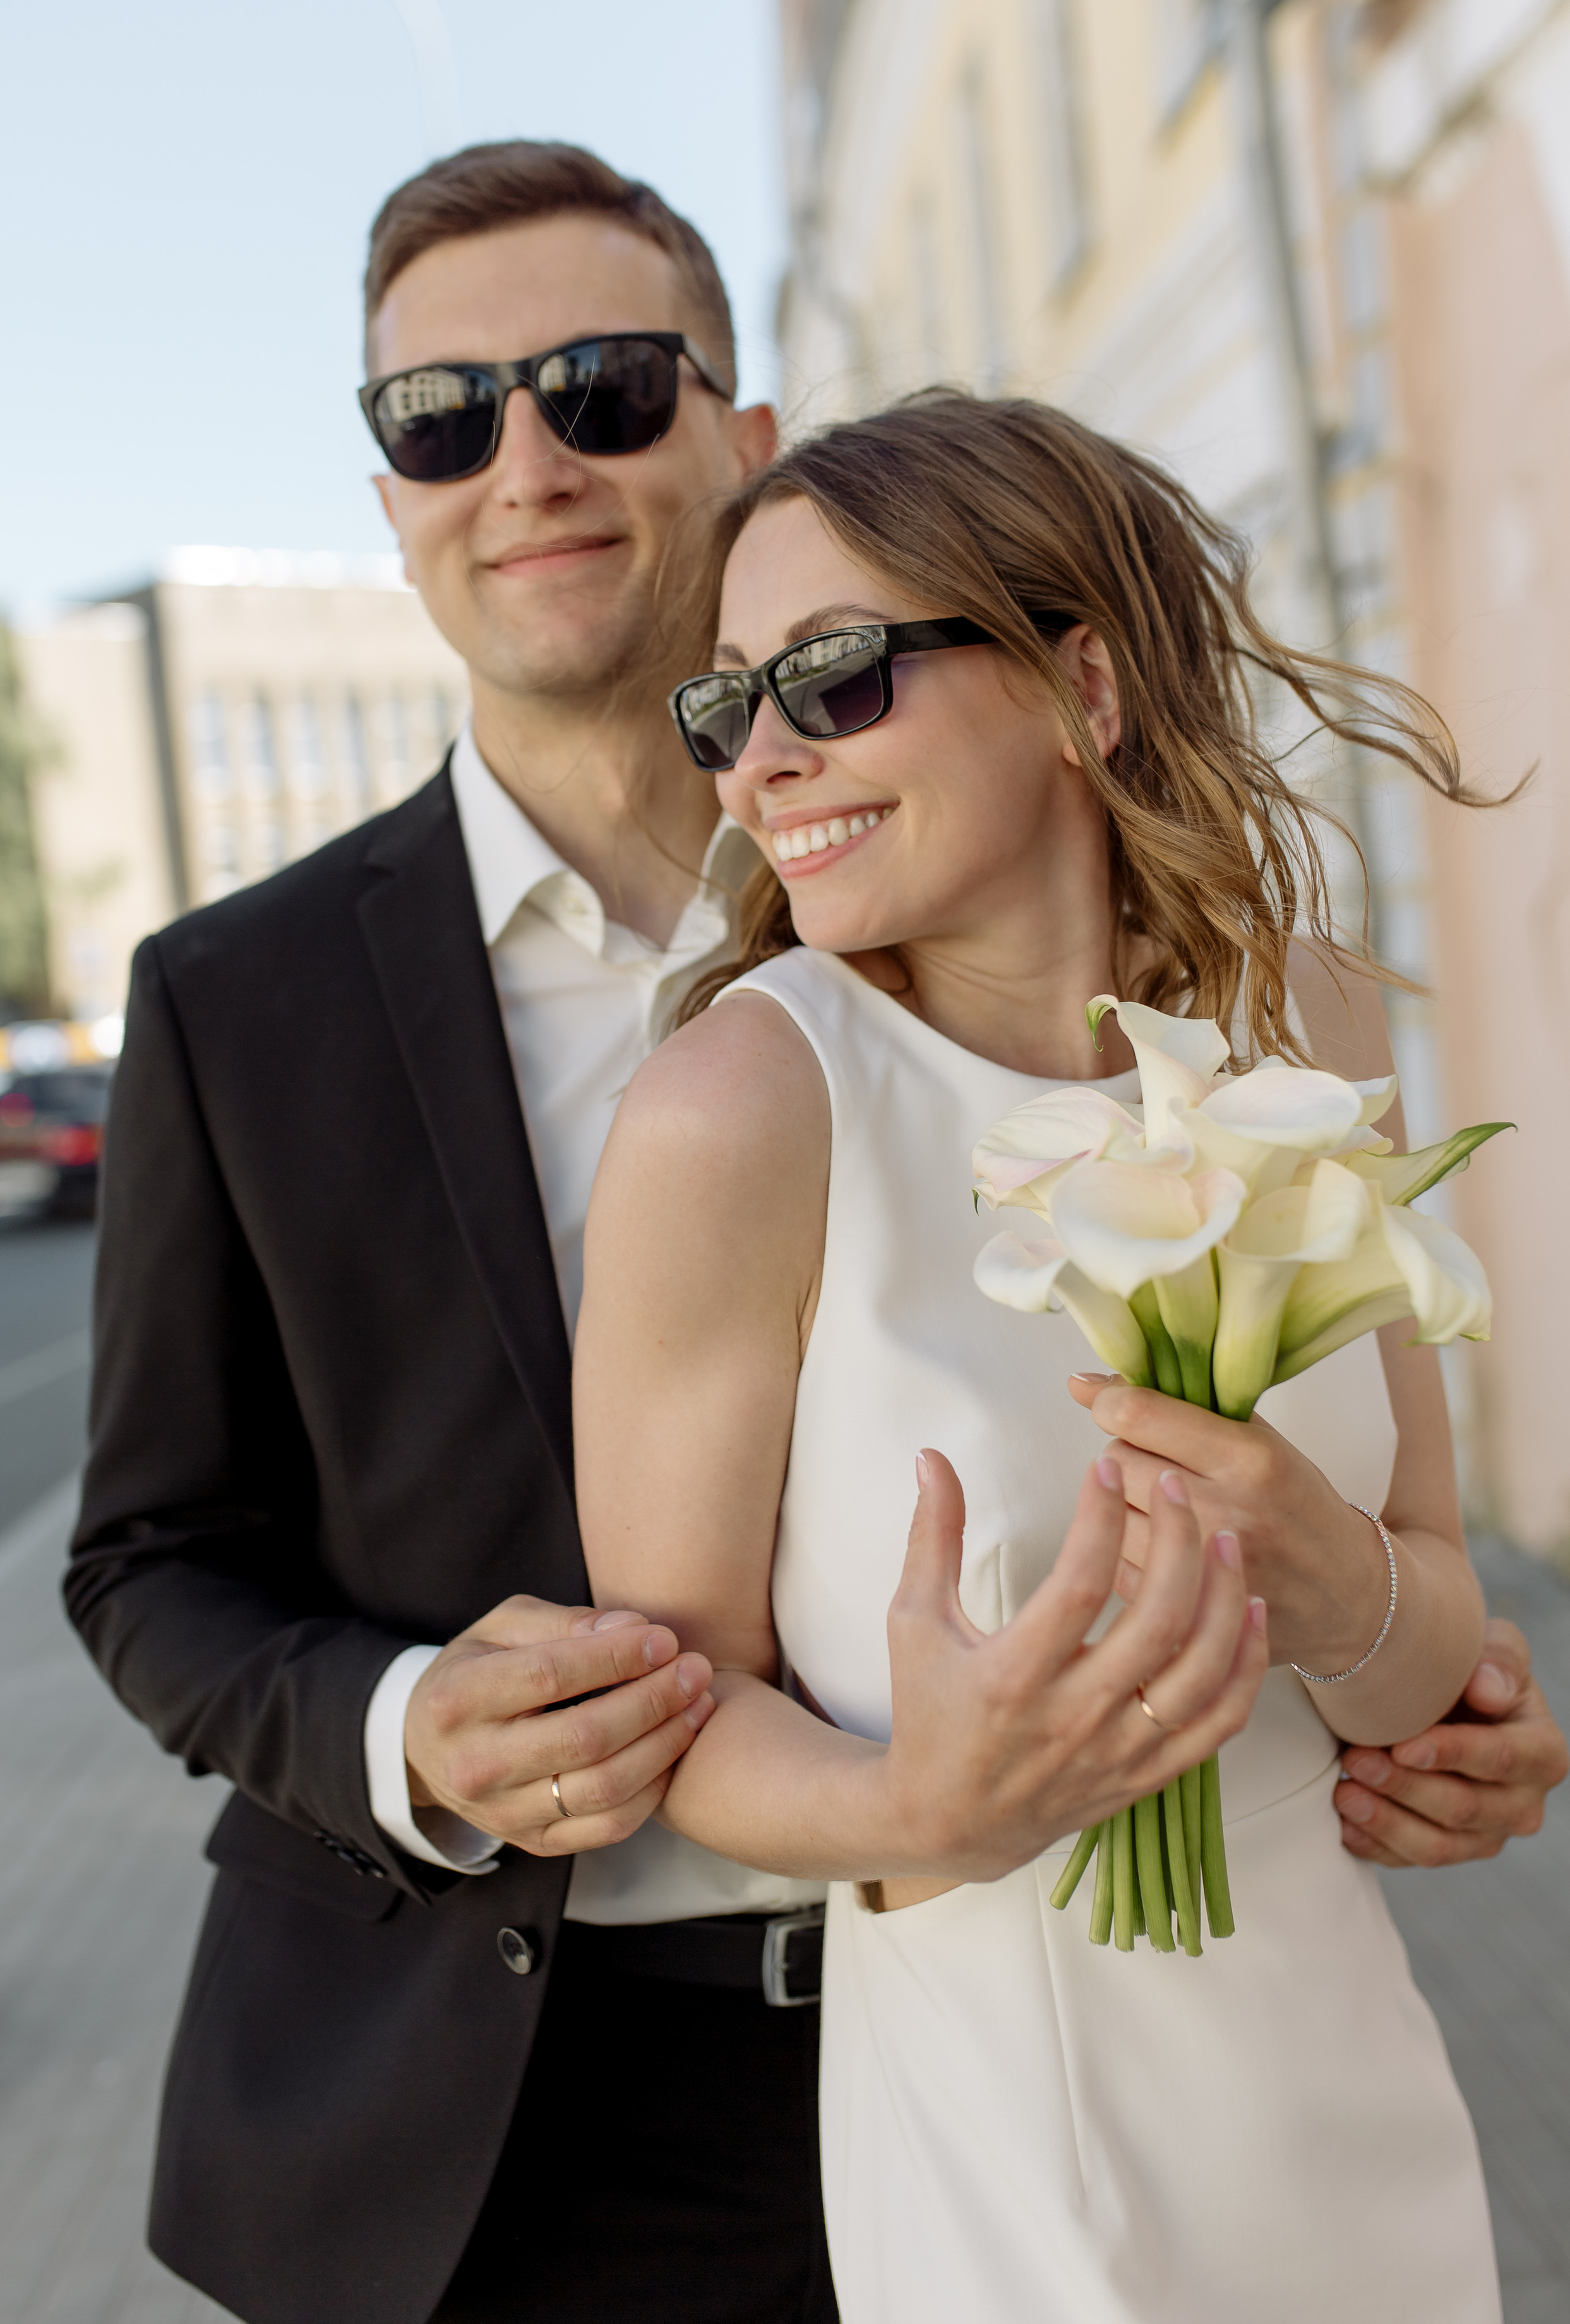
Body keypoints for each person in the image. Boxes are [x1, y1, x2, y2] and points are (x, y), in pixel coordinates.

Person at [62, 138, 1562, 2324]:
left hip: (1196, 2050)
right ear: (387, 492)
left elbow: (1389, 1598)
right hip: (535, 2105)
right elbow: (148, 1559)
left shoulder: (1203, 1001)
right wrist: (404, 1729)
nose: (526, 461)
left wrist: (1426, 1684)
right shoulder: (259, 1004)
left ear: (738, 432)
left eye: (600, 384)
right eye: (440, 416)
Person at [575, 392, 1562, 2321]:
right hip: (1017, 2131)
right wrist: (914, 1809)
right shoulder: (740, 1112)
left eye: (835, 675)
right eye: (729, 706)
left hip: (1341, 2085)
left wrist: (1334, 1571)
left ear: (1079, 680)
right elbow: (674, 1698)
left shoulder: (1309, 1028)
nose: (763, 762)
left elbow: (1429, 1639)